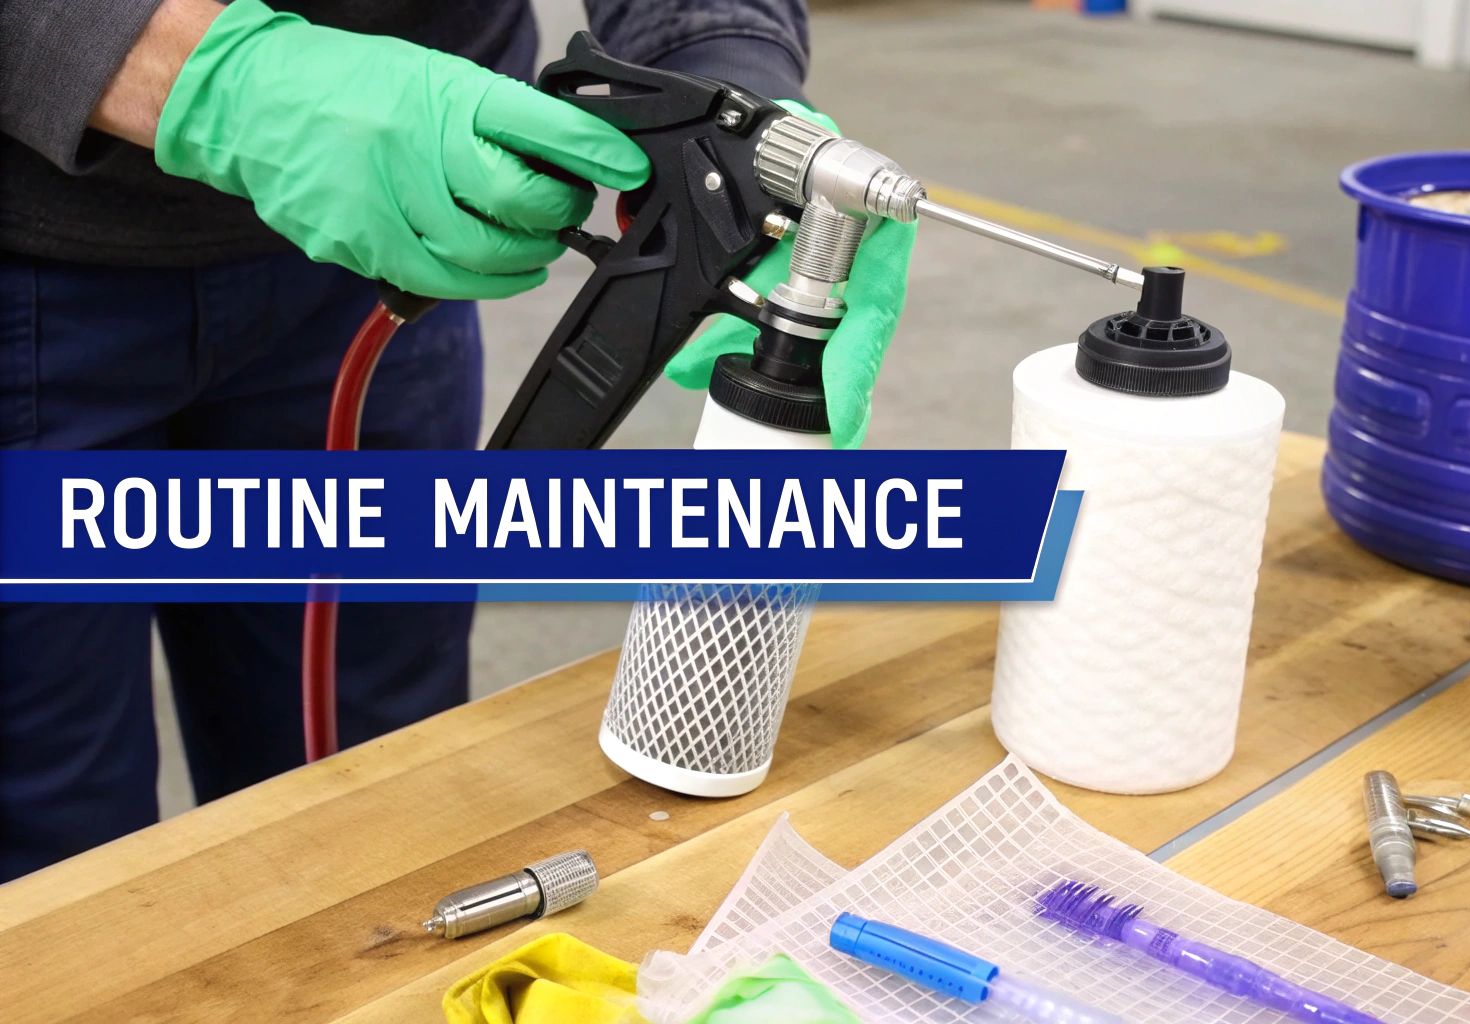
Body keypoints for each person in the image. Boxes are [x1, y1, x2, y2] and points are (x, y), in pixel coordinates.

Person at [0, 0, 908, 882]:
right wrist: (220, 83)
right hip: (30, 252)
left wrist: (729, 83)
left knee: (377, 792)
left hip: (399, 222)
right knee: (47, 829)